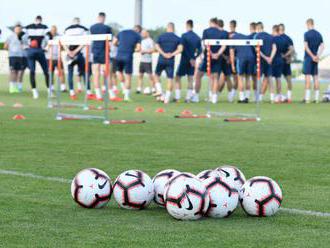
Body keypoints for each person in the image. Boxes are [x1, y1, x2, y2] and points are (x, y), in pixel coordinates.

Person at [154, 22, 183, 104]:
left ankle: (159, 91)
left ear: (167, 28)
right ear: (173, 28)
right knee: (170, 79)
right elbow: (180, 49)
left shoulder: (161, 36)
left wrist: (163, 53)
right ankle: (166, 99)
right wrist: (171, 54)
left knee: (156, 75)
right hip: (171, 60)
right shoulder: (177, 38)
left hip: (161, 59)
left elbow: (156, 46)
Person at [175, 20, 201, 103]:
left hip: (184, 60)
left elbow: (183, 49)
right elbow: (200, 50)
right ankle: (188, 98)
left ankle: (178, 97)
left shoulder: (184, 36)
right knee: (190, 79)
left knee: (178, 77)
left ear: (187, 25)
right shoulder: (197, 37)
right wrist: (194, 58)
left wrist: (190, 58)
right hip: (192, 61)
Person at [23, 15, 50, 99]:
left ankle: (35, 91)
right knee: (45, 71)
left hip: (31, 50)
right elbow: (48, 38)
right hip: (39, 50)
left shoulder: (27, 27)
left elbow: (22, 36)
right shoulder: (44, 27)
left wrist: (26, 46)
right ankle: (49, 90)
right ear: (41, 20)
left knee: (33, 71)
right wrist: (45, 47)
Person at [90, 12, 114, 101]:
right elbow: (110, 43)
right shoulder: (107, 28)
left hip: (95, 52)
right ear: (104, 18)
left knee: (96, 74)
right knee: (107, 74)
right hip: (104, 52)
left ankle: (98, 95)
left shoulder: (92, 27)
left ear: (98, 17)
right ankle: (111, 95)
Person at [114, 25, 142, 101]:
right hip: (128, 56)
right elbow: (138, 48)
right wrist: (132, 49)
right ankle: (126, 96)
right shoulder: (138, 36)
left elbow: (114, 43)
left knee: (119, 71)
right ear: (139, 31)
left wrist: (120, 46)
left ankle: (123, 87)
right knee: (128, 77)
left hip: (118, 56)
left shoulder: (122, 32)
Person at [64, 17, 89, 100]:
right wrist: (76, 51)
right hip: (78, 53)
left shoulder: (67, 29)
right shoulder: (83, 29)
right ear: (79, 22)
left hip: (69, 53)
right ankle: (88, 92)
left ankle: (72, 92)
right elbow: (85, 41)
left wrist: (69, 52)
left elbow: (63, 42)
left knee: (70, 73)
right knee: (84, 72)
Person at [303, 18, 324, 103]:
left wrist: (312, 56)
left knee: (307, 77)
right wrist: (317, 56)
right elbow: (322, 46)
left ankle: (307, 99)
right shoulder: (319, 34)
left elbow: (306, 46)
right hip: (315, 58)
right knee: (315, 77)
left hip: (308, 58)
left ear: (308, 24)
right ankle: (316, 99)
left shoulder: (306, 34)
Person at [230, 32, 256, 103]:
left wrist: (232, 65)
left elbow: (231, 53)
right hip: (251, 57)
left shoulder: (232, 38)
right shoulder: (245, 36)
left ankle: (242, 98)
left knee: (240, 77)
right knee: (248, 77)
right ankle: (247, 97)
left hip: (241, 58)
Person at [254, 22, 277, 102]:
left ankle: (258, 98)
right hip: (270, 60)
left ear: (257, 28)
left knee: (259, 79)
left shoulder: (256, 36)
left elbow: (257, 49)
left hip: (260, 60)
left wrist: (265, 57)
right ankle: (272, 98)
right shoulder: (270, 36)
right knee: (270, 78)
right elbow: (274, 48)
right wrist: (270, 58)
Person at [4, 23, 26, 93]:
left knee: (18, 72)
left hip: (20, 56)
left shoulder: (23, 37)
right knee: (12, 71)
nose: (18, 30)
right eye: (17, 29)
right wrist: (11, 50)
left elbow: (24, 46)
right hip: (12, 56)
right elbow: (5, 46)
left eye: (19, 29)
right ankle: (11, 87)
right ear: (14, 29)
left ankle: (17, 87)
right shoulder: (10, 37)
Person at [46, 25, 66, 92]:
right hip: (50, 58)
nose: (53, 31)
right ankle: (51, 87)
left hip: (58, 58)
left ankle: (63, 87)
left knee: (61, 72)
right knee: (51, 73)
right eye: (52, 30)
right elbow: (45, 47)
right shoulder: (47, 37)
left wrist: (61, 47)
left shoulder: (59, 37)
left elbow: (63, 48)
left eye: (54, 30)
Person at [279, 24, 294, 103]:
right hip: (286, 61)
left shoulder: (277, 38)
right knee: (288, 79)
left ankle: (279, 97)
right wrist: (289, 57)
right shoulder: (288, 38)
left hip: (279, 61)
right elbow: (292, 49)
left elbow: (291, 49)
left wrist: (284, 55)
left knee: (278, 79)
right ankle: (289, 97)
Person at [137, 29, 155, 95]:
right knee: (140, 75)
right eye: (141, 33)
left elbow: (153, 49)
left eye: (143, 33)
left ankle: (153, 89)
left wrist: (145, 51)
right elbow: (139, 49)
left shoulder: (150, 41)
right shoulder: (141, 41)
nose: (142, 34)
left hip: (148, 61)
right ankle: (139, 89)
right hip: (142, 60)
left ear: (147, 33)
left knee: (150, 76)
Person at [272, 25, 285, 103]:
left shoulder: (273, 39)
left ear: (274, 30)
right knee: (278, 78)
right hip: (280, 60)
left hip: (274, 60)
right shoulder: (283, 39)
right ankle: (279, 95)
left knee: (271, 78)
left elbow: (272, 49)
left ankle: (273, 96)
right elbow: (289, 49)